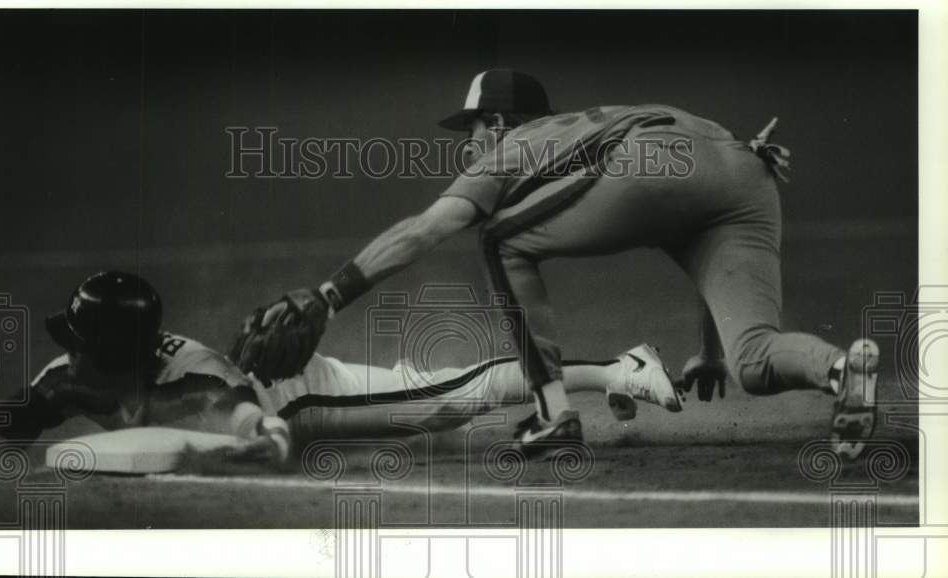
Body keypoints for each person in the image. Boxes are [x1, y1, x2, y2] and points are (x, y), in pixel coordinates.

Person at [284, 68, 879, 460]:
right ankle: (841, 370)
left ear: (498, 123)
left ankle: (555, 416)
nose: (468, 143)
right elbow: (697, 212)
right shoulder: (579, 130)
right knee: (753, 360)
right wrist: (712, 352)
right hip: (745, 166)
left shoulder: (514, 144)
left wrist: (329, 295)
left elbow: (426, 230)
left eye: (472, 128)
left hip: (647, 157)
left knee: (499, 241)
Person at [0, 271, 681, 469]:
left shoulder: (198, 377)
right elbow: (8, 418)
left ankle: (621, 368)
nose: (70, 348)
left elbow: (266, 430)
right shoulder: (69, 376)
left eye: (83, 338)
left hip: (309, 399)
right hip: (281, 405)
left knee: (451, 396)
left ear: (112, 346)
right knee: (452, 395)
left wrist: (253, 445)